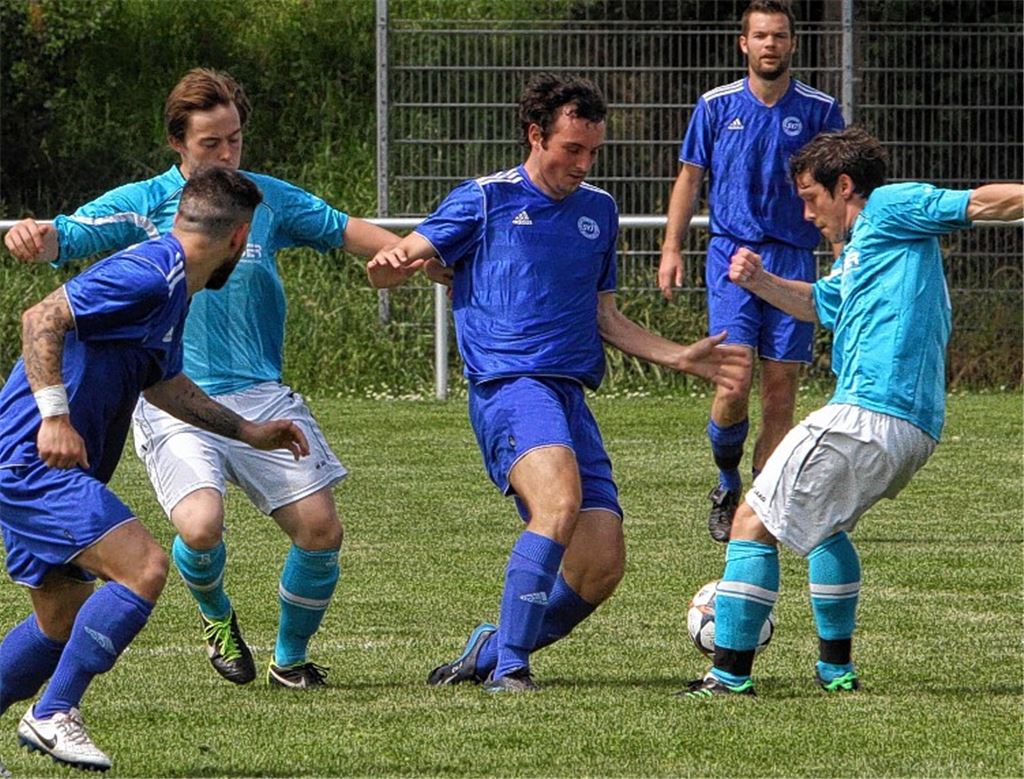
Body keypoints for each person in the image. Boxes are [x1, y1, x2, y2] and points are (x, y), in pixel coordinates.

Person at [3, 68, 404, 690]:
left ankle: (289, 660)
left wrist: (416, 256)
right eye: (210, 144)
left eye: (235, 140)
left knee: (322, 530)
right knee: (198, 527)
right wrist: (39, 234)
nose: (225, 155)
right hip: (171, 399)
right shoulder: (147, 207)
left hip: (258, 392)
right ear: (177, 144)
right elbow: (74, 236)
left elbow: (346, 230)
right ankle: (215, 623)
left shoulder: (258, 200)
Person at [367, 72, 751, 693]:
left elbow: (605, 316)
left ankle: (493, 648)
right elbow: (407, 254)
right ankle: (512, 672)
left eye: (592, 151)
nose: (583, 163)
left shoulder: (599, 211)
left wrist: (679, 356)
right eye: (571, 149)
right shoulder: (485, 199)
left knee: (600, 565)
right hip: (510, 384)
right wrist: (391, 265)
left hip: (569, 392)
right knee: (557, 504)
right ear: (535, 135)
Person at [680, 127, 1024, 698]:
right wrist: (760, 281)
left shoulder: (887, 207)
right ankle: (836, 671)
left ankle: (728, 675)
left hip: (870, 411)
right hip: (908, 426)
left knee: (751, 520)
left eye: (812, 198)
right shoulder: (861, 251)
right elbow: (820, 303)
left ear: (844, 186)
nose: (808, 213)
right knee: (826, 531)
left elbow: (980, 202)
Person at [0, 168, 311, 770]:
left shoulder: (172, 290)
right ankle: (53, 712)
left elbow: (164, 383)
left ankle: (46, 707)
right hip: (32, 459)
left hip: (42, 463)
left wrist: (249, 431)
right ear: (240, 238)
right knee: (143, 566)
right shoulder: (150, 271)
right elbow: (42, 317)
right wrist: (55, 416)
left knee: (58, 620)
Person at [658, 0, 845, 543]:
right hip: (731, 258)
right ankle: (725, 481)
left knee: (781, 386)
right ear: (744, 44)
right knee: (733, 378)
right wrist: (672, 249)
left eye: (779, 36)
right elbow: (689, 180)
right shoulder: (716, 106)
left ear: (792, 43)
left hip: (792, 256)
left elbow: (838, 187)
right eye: (760, 36)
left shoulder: (818, 109)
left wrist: (839, 247)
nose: (770, 45)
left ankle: (763, 504)